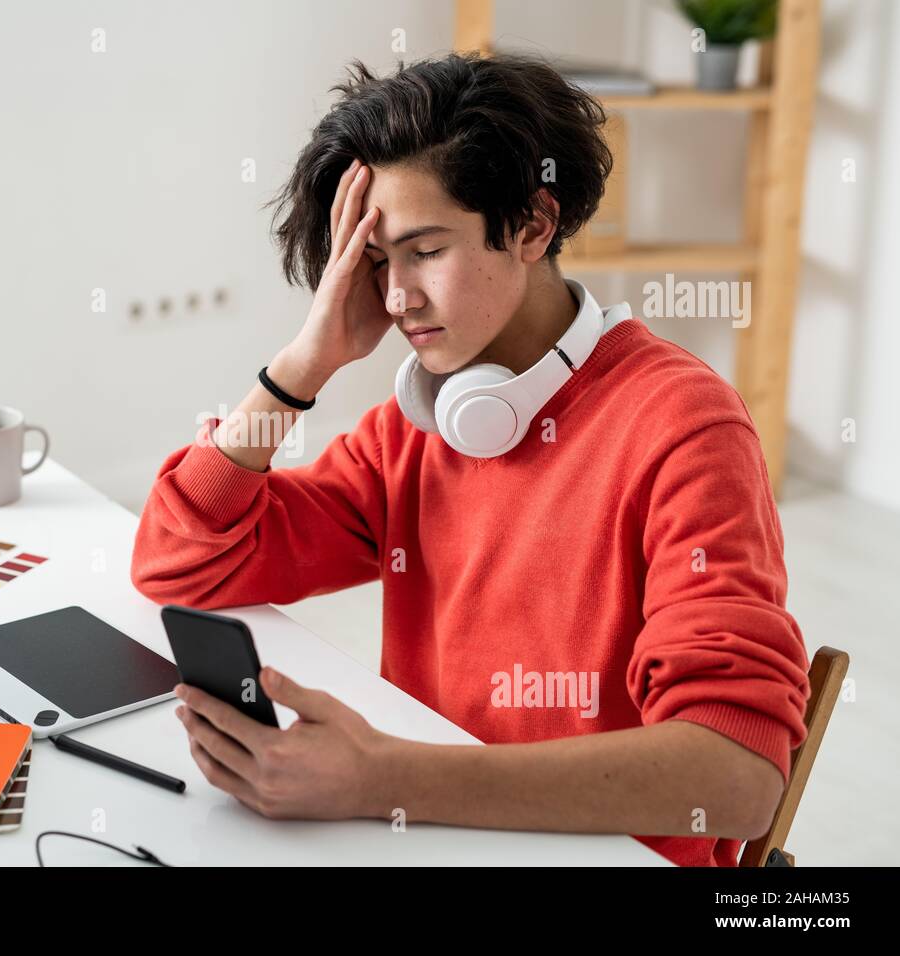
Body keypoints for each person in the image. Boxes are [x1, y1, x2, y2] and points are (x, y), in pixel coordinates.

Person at [131, 51, 809, 867]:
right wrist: (302, 367)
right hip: (431, 840)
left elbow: (735, 777)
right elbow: (180, 563)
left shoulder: (684, 427)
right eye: (376, 262)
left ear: (532, 224)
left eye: (424, 251)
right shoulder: (419, 427)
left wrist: (383, 779)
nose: (393, 298)